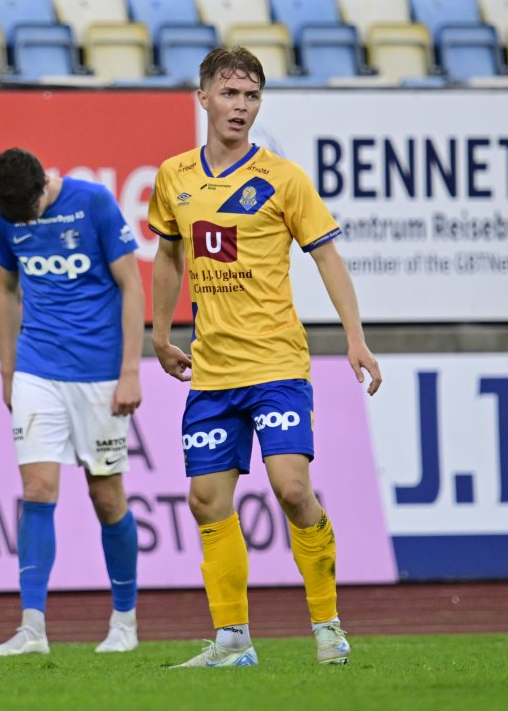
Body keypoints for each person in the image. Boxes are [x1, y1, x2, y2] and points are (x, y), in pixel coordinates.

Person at [146, 47, 382, 668]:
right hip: (213, 371)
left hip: (276, 365)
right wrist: (160, 334)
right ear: (203, 98)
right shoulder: (173, 176)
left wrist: (355, 337)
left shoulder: (283, 178)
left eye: (251, 96)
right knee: (205, 499)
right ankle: (233, 642)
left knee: (292, 488)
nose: (241, 107)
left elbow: (327, 256)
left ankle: (328, 626)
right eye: (229, 94)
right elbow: (168, 256)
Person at [0, 147, 145, 656]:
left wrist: (130, 372)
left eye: (26, 211)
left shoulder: (94, 203)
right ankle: (32, 628)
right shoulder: (6, 212)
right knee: (37, 489)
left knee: (106, 497)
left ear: (43, 187)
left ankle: (124, 622)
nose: (20, 221)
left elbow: (131, 285)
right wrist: (8, 370)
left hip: (100, 373)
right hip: (37, 368)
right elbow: (7, 289)